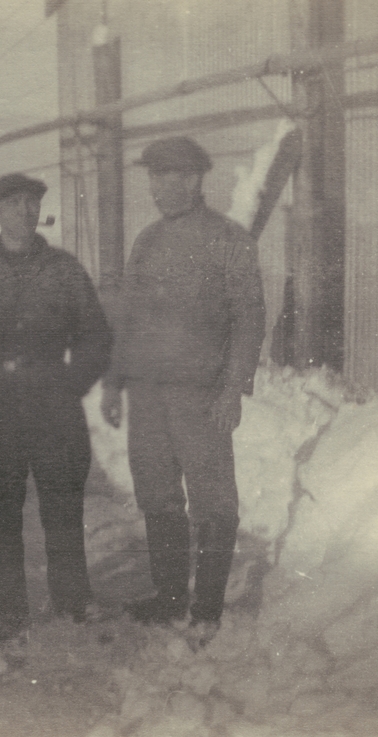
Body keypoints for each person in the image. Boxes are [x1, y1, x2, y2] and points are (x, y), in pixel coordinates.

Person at [101, 136, 265, 648]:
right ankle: (170, 597)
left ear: (194, 179)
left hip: (199, 394)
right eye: (154, 176)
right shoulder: (146, 241)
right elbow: (127, 317)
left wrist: (233, 389)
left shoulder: (229, 239)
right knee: (157, 495)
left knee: (213, 501)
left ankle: (207, 610)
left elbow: (249, 319)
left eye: (170, 176)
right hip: (147, 393)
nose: (159, 187)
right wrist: (113, 382)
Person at [0, 173, 113, 640]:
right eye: (14, 204)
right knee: (1, 511)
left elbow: (95, 336)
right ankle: (7, 610)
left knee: (63, 506)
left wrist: (71, 383)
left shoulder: (64, 270)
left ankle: (73, 600)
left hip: (54, 404)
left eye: (32, 203)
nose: (25, 212)